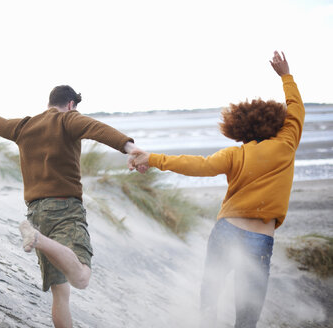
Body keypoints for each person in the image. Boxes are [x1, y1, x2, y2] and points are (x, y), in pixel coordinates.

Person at [0, 85, 138, 328]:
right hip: (65, 209)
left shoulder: (23, 126)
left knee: (60, 294)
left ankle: (38, 237)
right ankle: (38, 239)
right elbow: (96, 129)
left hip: (36, 215)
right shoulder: (67, 119)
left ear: (49, 102)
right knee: (82, 278)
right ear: (71, 105)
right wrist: (129, 147)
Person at [129, 51, 304, 328]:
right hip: (260, 239)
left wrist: (151, 159)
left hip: (227, 230)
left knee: (209, 298)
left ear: (240, 129)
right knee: (247, 317)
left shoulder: (235, 154)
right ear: (276, 124)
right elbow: (296, 109)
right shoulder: (287, 144)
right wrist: (286, 76)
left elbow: (194, 165)